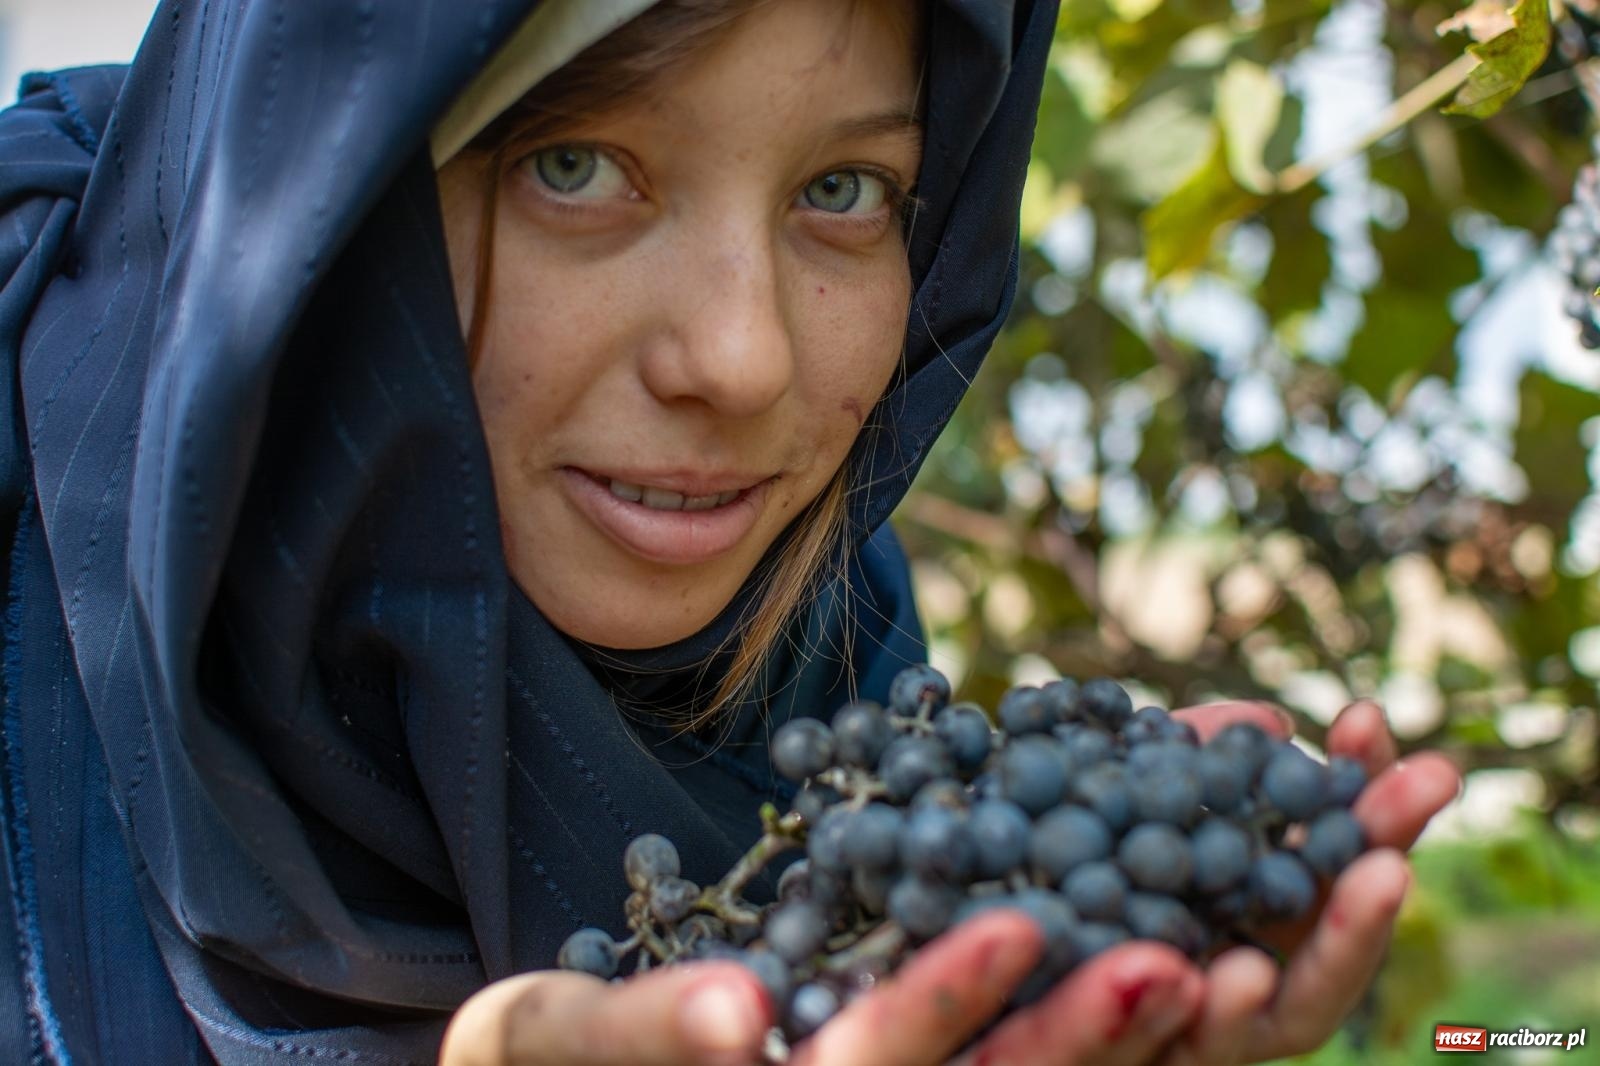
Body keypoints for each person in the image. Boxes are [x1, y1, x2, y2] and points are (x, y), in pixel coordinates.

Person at [0, 0, 1459, 1063]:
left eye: (845, 192)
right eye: (575, 165)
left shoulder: (839, 668)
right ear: (336, 194)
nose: (745, 357)